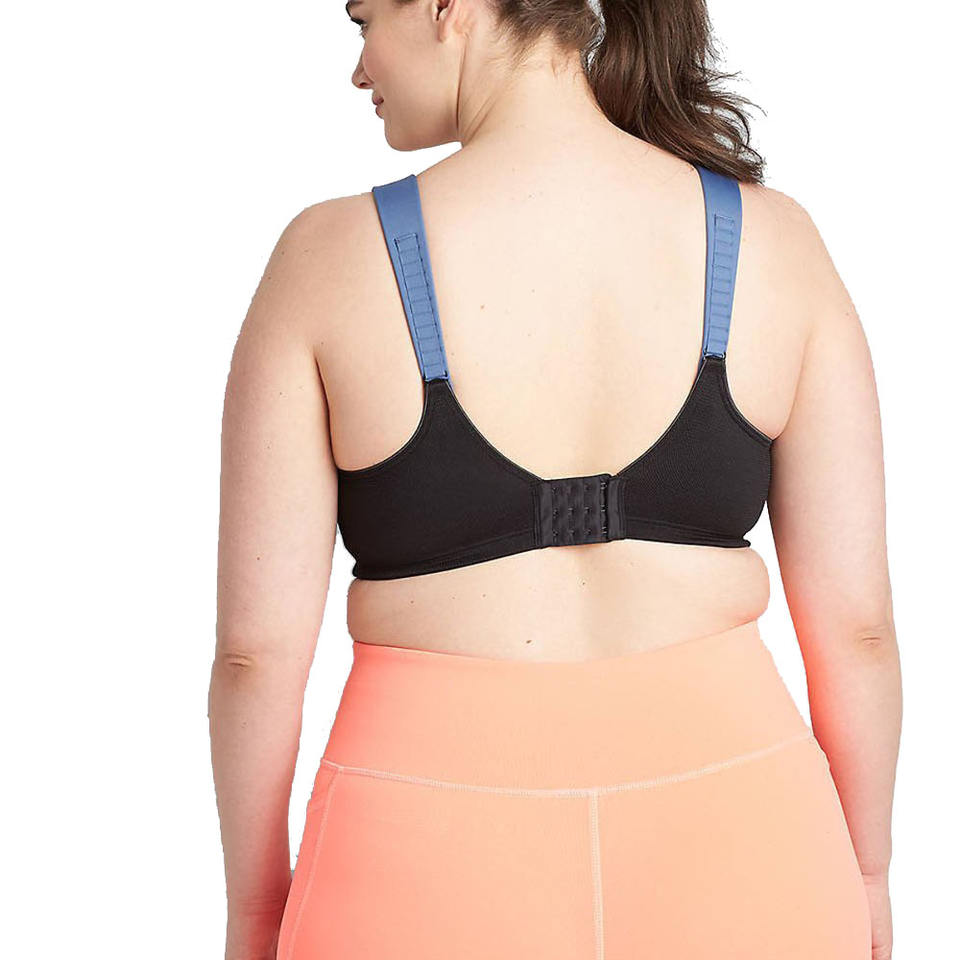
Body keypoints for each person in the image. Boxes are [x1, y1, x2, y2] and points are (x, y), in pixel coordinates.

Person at [208, 0, 901, 957]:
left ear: (447, 8)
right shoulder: (774, 242)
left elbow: (255, 657)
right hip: (747, 838)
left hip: (417, 855)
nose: (359, 69)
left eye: (361, 22)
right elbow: (858, 632)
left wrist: (255, 913)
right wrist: (866, 875)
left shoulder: (326, 258)